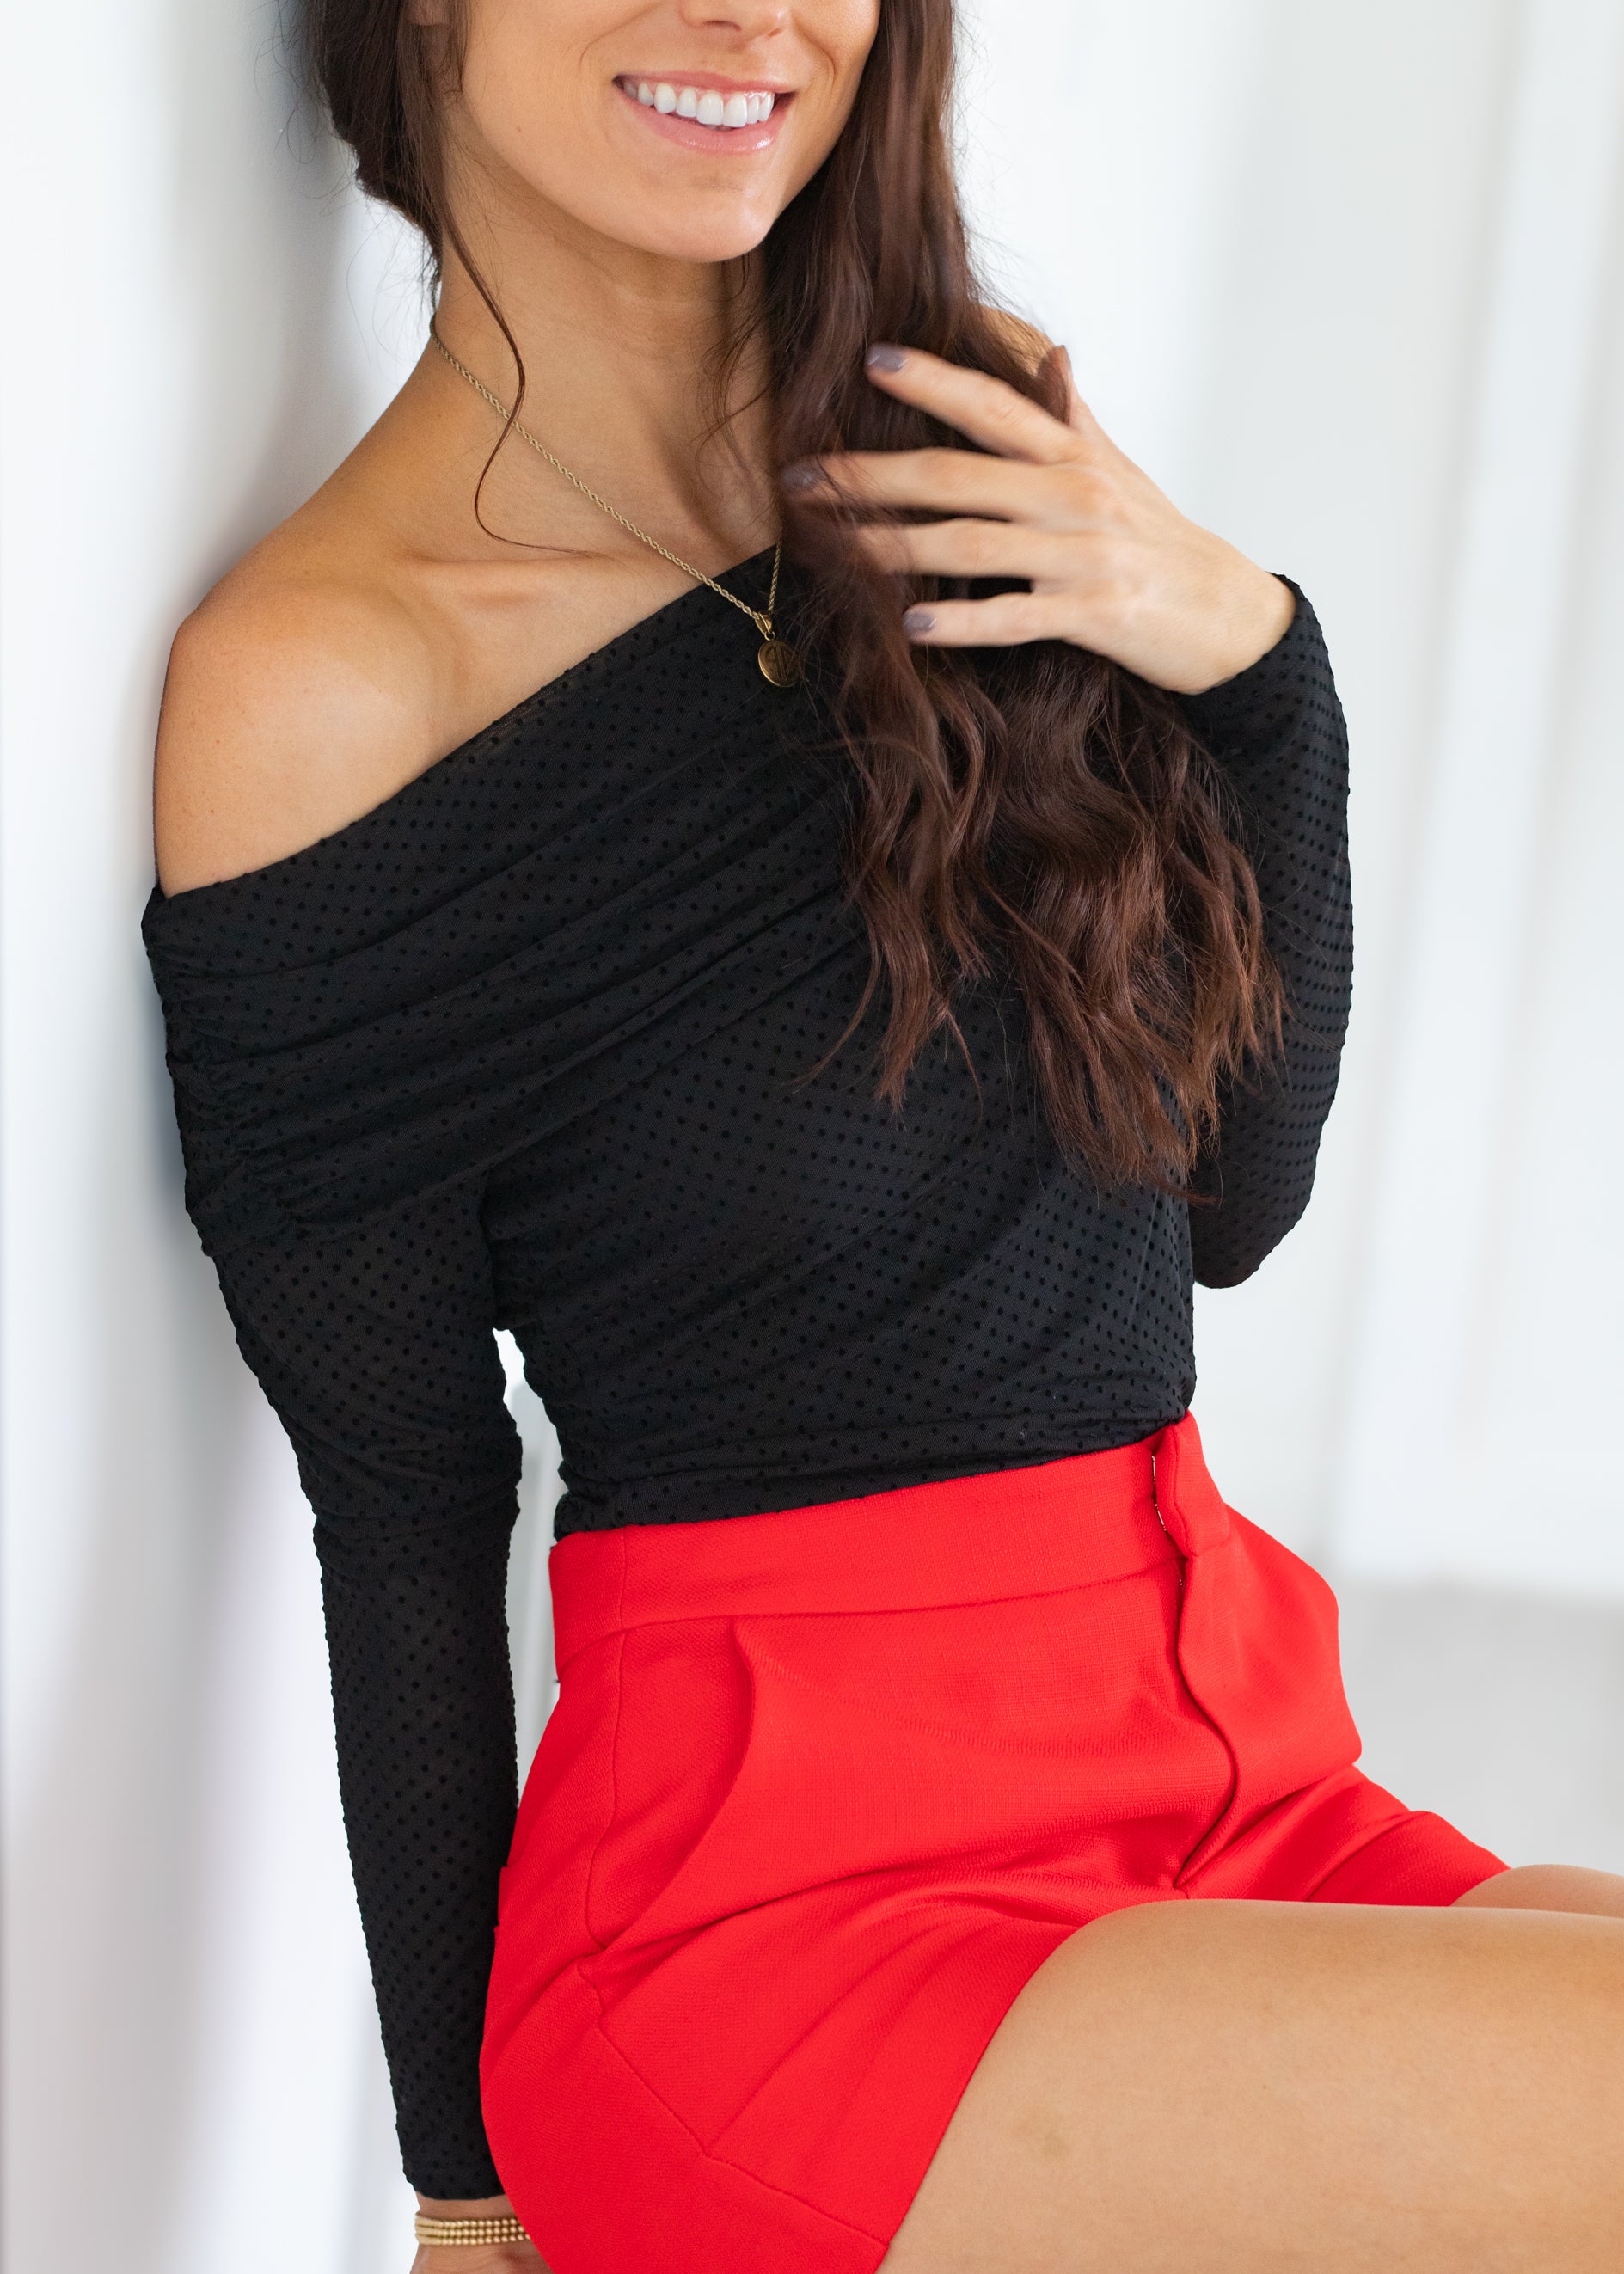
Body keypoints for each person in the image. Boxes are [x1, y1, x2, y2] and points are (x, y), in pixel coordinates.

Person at [142, 2, 1624, 2268]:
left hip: (1222, 1779)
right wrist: (461, 2190)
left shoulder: (970, 477)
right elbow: (404, 1503)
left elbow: (1229, 1201)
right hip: (780, 1937)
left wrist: (1248, 668)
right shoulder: (338, 686)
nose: (748, 17)